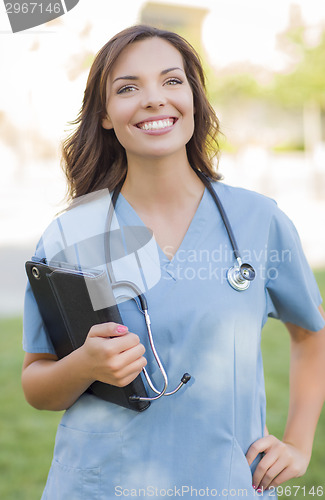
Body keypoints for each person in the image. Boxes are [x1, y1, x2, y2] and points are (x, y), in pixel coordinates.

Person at [22, 25, 325, 499]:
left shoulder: (257, 221)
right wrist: (84, 365)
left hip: (222, 483)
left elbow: (312, 333)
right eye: (127, 88)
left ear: (193, 98)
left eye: (171, 81)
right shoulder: (73, 233)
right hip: (100, 486)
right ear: (105, 116)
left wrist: (300, 444)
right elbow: (37, 384)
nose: (153, 99)